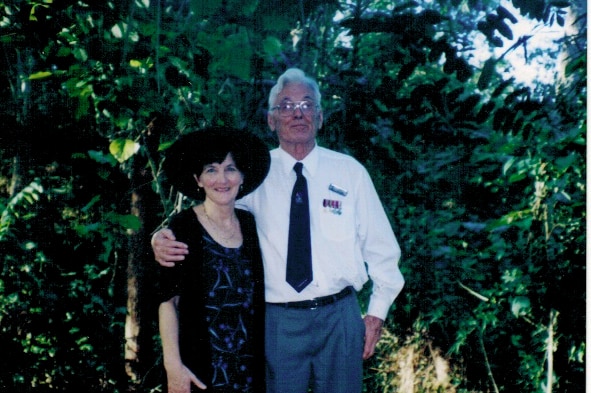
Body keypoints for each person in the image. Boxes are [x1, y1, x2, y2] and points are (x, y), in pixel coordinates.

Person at [152, 68, 404, 393]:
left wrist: (376, 314)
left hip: (340, 316)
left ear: (320, 116)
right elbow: (210, 217)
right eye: (286, 106)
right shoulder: (252, 178)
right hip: (278, 321)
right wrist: (161, 236)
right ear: (271, 120)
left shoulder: (350, 173)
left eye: (307, 105)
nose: (297, 114)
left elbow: (383, 250)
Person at [156, 126, 270, 393]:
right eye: (211, 170)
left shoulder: (251, 226)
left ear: (242, 176)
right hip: (200, 370)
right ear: (198, 179)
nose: (222, 179)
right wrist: (173, 367)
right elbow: (167, 302)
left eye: (231, 169)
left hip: (249, 371)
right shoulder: (184, 227)